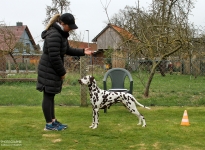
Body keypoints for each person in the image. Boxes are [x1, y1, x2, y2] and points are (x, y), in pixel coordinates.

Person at [36, 13, 92, 131]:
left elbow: (67, 50)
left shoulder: (61, 35)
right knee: (48, 95)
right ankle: (49, 125)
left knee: (50, 96)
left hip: (51, 69)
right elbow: (54, 57)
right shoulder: (54, 35)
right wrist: (62, 72)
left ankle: (53, 121)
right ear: (63, 24)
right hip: (48, 70)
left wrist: (82, 51)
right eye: (70, 26)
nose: (71, 29)